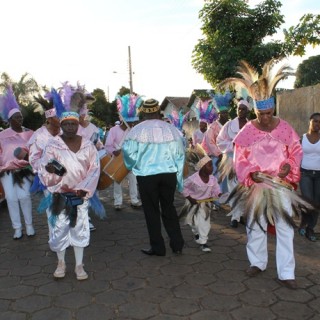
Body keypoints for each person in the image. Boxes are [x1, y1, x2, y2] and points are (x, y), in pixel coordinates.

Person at [224, 58, 303, 289]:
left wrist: (289, 165)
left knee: (285, 228)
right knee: (255, 225)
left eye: (268, 113)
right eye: (261, 114)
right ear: (256, 111)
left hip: (280, 185)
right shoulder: (248, 131)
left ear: (273, 109)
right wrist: (251, 174)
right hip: (258, 186)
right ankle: (257, 262)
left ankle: (287, 272)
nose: (265, 118)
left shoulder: (286, 127)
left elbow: (296, 151)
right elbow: (240, 159)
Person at [39, 110, 100, 280]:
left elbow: (94, 169)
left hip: (79, 195)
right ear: (62, 125)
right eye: (66, 124)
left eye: (73, 123)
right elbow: (44, 168)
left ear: (78, 125)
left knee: (79, 228)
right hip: (58, 195)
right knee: (59, 229)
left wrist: (83, 189)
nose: (70, 127)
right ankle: (61, 263)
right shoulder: (53, 145)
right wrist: (50, 171)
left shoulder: (88, 145)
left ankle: (79, 265)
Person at [122, 98, 185, 256]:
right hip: (168, 174)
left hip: (147, 176)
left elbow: (128, 153)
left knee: (151, 211)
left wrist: (133, 166)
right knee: (169, 208)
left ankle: (158, 247)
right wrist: (179, 179)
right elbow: (180, 153)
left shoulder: (136, 130)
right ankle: (177, 245)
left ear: (143, 112)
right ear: (158, 112)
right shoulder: (171, 129)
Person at [0, 86, 35, 239]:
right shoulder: (2, 135)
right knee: (11, 198)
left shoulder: (29, 133)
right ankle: (17, 228)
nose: (20, 119)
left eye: (21, 117)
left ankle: (29, 226)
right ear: (9, 120)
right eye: (16, 117)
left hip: (24, 171)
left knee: (24, 196)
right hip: (6, 171)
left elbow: (35, 151)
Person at [104, 93, 143, 210]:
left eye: (133, 122)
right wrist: (113, 152)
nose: (132, 124)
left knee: (133, 179)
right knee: (117, 180)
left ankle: (134, 200)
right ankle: (118, 202)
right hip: (117, 158)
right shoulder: (113, 130)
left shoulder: (133, 131)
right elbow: (108, 145)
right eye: (130, 122)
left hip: (130, 159)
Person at [179, 147, 221, 252]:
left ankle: (203, 242)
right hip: (192, 203)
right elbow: (183, 187)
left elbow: (216, 188)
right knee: (193, 223)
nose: (212, 168)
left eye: (212, 165)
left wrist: (217, 193)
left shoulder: (212, 178)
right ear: (202, 167)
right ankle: (196, 233)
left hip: (205, 204)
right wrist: (189, 197)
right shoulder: (193, 179)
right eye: (210, 165)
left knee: (204, 223)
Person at [217, 99, 251, 228]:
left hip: (246, 162)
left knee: (244, 189)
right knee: (233, 188)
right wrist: (233, 145)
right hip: (231, 160)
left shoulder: (251, 126)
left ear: (248, 111)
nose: (240, 111)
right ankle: (235, 217)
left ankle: (240, 214)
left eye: (243, 109)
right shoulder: (229, 125)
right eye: (239, 108)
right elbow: (219, 141)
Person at [298, 112, 320, 242]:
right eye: (315, 121)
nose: (318, 124)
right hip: (305, 173)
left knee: (317, 203)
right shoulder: (302, 138)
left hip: (319, 175)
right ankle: (304, 222)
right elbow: (296, 157)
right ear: (310, 122)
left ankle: (310, 228)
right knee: (308, 201)